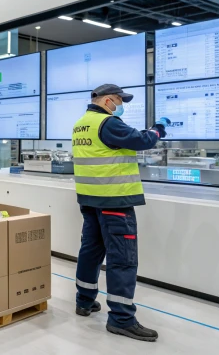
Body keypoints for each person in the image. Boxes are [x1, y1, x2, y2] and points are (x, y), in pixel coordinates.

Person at [72, 84, 170, 342]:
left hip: (90, 199)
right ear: (106, 101)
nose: (120, 105)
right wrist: (158, 127)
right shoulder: (108, 123)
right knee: (122, 258)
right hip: (114, 200)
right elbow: (143, 140)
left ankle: (84, 301)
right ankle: (122, 319)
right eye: (118, 100)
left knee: (91, 251)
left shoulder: (82, 123)